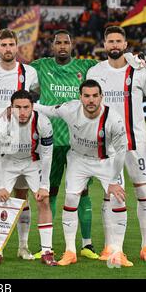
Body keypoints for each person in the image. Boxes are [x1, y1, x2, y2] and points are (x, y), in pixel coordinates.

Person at [86, 26, 146, 262]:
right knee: (112, 195)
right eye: (110, 41)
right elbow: (88, 104)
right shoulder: (95, 71)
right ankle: (111, 247)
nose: (114, 45)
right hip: (107, 145)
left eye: (118, 41)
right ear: (104, 44)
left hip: (136, 142)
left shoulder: (140, 71)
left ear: (125, 45)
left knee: (143, 191)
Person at [38, 79, 132, 267]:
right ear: (80, 97)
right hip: (78, 159)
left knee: (118, 198)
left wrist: (114, 181)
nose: (91, 100)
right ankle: (70, 251)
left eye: (95, 96)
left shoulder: (114, 119)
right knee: (71, 199)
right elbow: (48, 109)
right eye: (87, 96)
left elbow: (122, 150)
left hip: (106, 160)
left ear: (101, 97)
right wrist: (20, 106)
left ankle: (118, 251)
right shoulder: (70, 109)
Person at [29, 30, 100, 260]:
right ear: (52, 45)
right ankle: (47, 245)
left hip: (79, 143)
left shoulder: (86, 66)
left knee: (82, 191)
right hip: (50, 142)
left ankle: (87, 245)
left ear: (72, 45)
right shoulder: (39, 66)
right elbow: (18, 76)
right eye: (58, 42)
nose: (62, 46)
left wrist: (134, 60)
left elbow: (112, 64)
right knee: (49, 191)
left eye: (66, 42)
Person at [0, 28, 39, 262]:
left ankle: (23, 246)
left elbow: (36, 100)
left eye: (12, 45)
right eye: (4, 45)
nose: (9, 49)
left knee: (22, 195)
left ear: (17, 47)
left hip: (22, 142)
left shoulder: (29, 72)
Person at [0, 90, 56, 266]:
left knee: (44, 201)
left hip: (32, 162)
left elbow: (48, 155)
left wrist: (44, 185)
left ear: (33, 107)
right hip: (8, 161)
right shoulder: (0, 124)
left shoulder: (43, 122)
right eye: (17, 107)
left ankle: (47, 251)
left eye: (26, 107)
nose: (22, 112)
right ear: (11, 108)